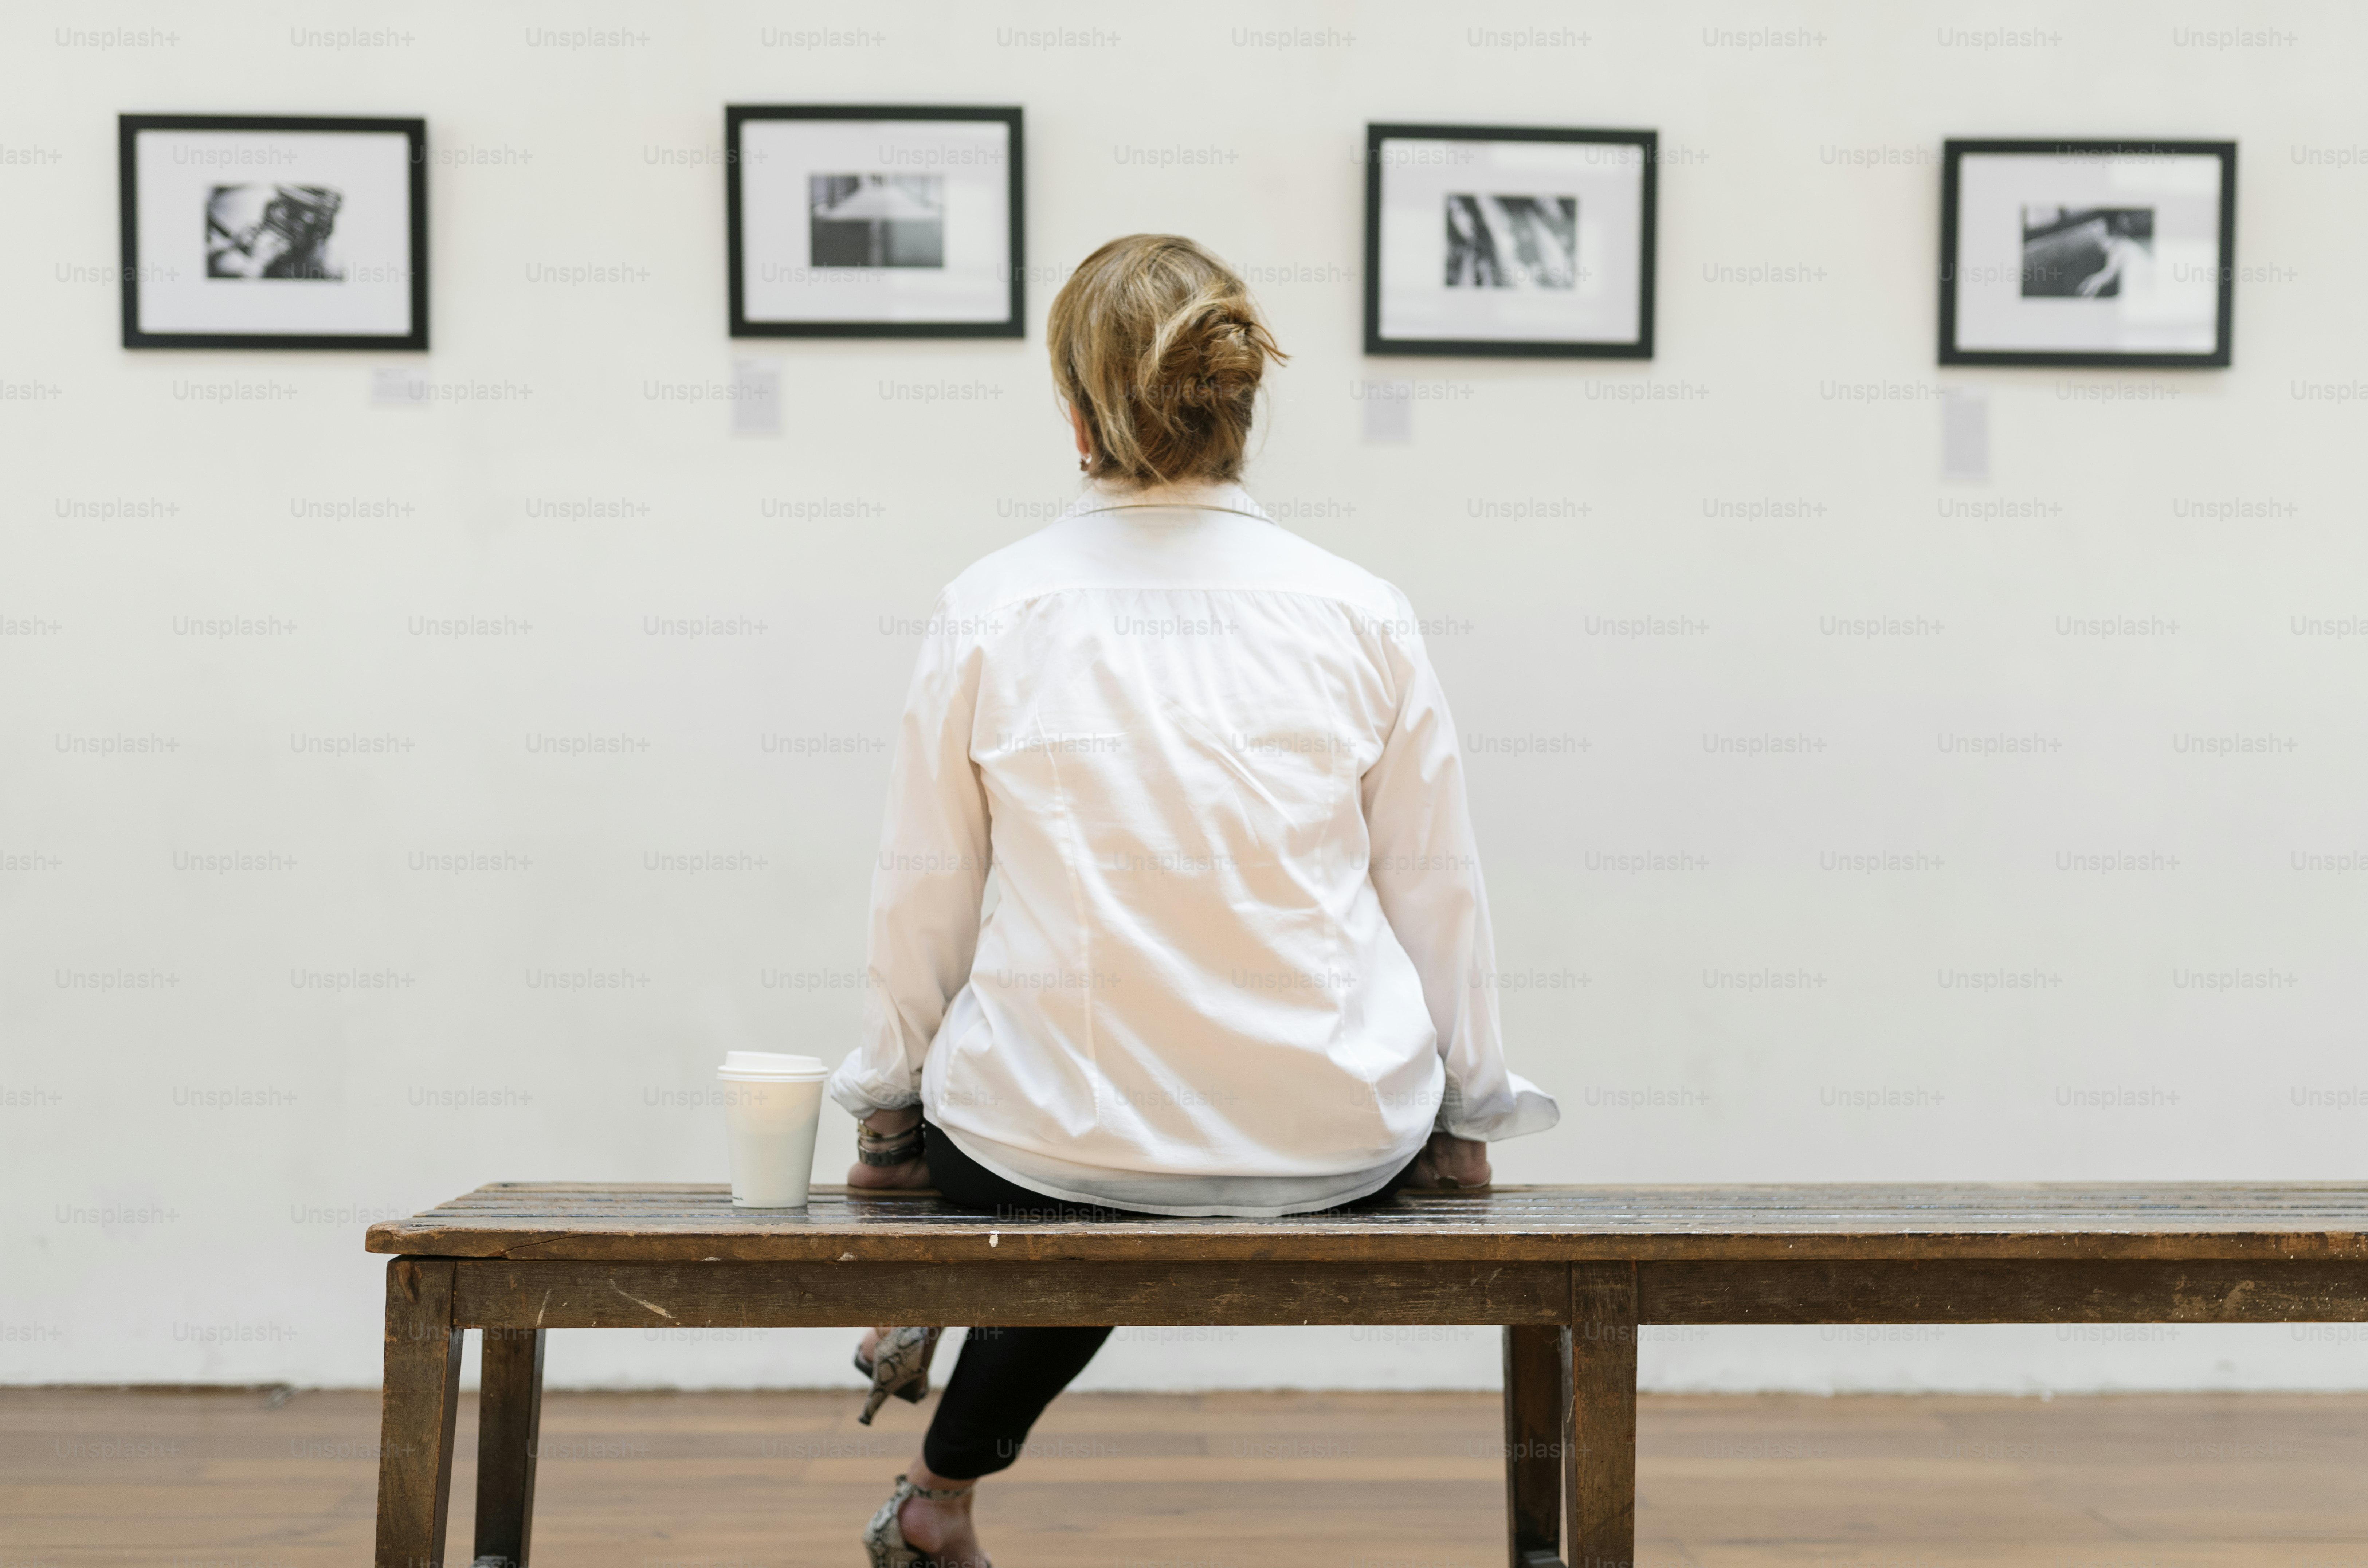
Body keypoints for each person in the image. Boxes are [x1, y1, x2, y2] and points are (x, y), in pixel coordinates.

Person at [826, 233, 1559, 1568]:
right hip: (1337, 1137)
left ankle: (940, 1407)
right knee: (1119, 1169)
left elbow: (923, 897)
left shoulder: (991, 608)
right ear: (1243, 406)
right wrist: (1468, 1111)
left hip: (1045, 1143)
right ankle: (933, 1489)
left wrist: (888, 1119)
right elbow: (1435, 887)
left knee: (1074, 1167)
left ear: (1072, 413)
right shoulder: (1361, 612)